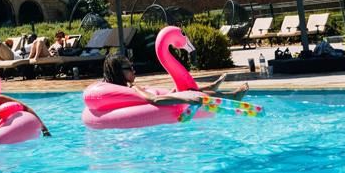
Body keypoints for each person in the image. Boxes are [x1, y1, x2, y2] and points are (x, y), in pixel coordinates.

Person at [102, 53, 249, 101]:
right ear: (117, 72)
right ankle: (233, 96)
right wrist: (186, 99)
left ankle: (211, 87)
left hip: (161, 99)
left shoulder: (116, 89)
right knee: (191, 92)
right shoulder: (133, 88)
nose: (134, 71)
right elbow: (153, 99)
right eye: (129, 68)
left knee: (185, 89)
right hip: (164, 104)